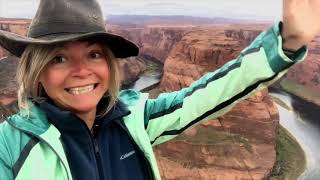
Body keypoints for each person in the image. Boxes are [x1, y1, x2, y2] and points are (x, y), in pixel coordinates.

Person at [0, 0, 319, 179]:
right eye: (59, 57)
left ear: (110, 65)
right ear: (37, 71)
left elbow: (211, 93)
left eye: (94, 53)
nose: (81, 70)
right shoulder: (10, 145)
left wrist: (285, 43)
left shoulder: (136, 119)